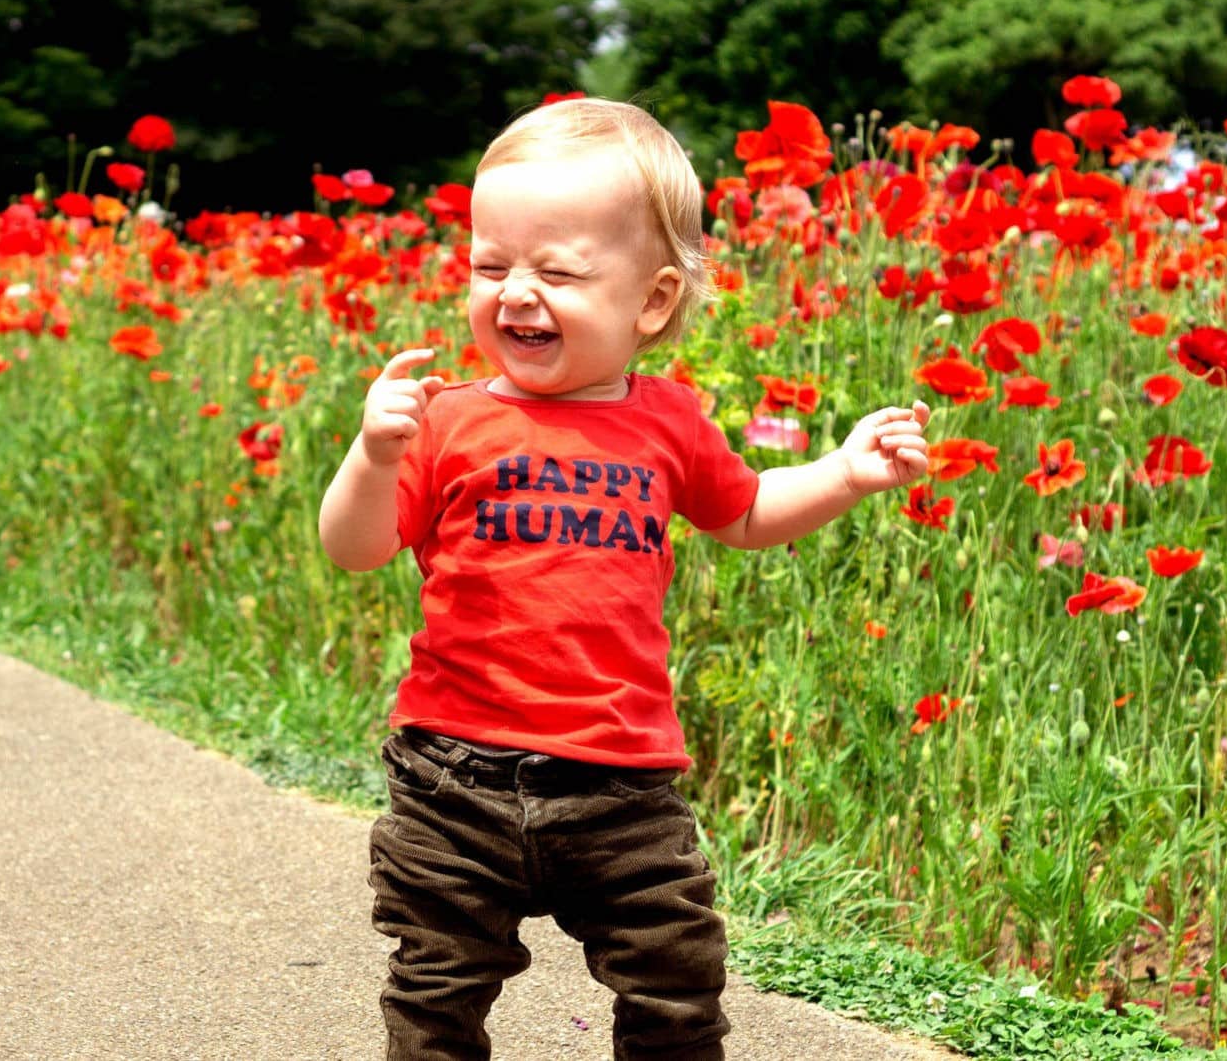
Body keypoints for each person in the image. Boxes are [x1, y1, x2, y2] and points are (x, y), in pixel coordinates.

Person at [318, 97, 932, 1061]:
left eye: (556, 271)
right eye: (490, 267)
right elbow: (355, 547)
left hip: (624, 783)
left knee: (677, 975)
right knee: (435, 985)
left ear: (651, 300)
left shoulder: (671, 421)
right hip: (452, 778)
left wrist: (844, 472)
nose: (515, 292)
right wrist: (371, 455)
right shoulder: (444, 422)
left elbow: (746, 514)